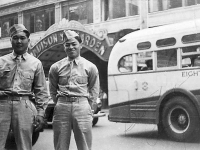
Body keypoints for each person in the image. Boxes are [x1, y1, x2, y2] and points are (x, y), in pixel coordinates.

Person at [49, 30, 99, 150]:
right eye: (67, 44)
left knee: (84, 145)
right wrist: (61, 103)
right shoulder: (56, 67)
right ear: (64, 47)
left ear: (80, 45)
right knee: (60, 145)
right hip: (62, 106)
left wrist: (89, 106)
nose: (71, 47)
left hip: (82, 106)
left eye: (74, 44)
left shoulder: (90, 67)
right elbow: (52, 89)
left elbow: (94, 89)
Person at [0, 24, 48, 150]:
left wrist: (41, 114)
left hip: (24, 105)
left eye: (22, 38)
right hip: (2, 104)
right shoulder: (1, 61)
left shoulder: (36, 63)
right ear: (10, 40)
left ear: (28, 40)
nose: (19, 41)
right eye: (15, 38)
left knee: (24, 145)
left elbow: (41, 91)